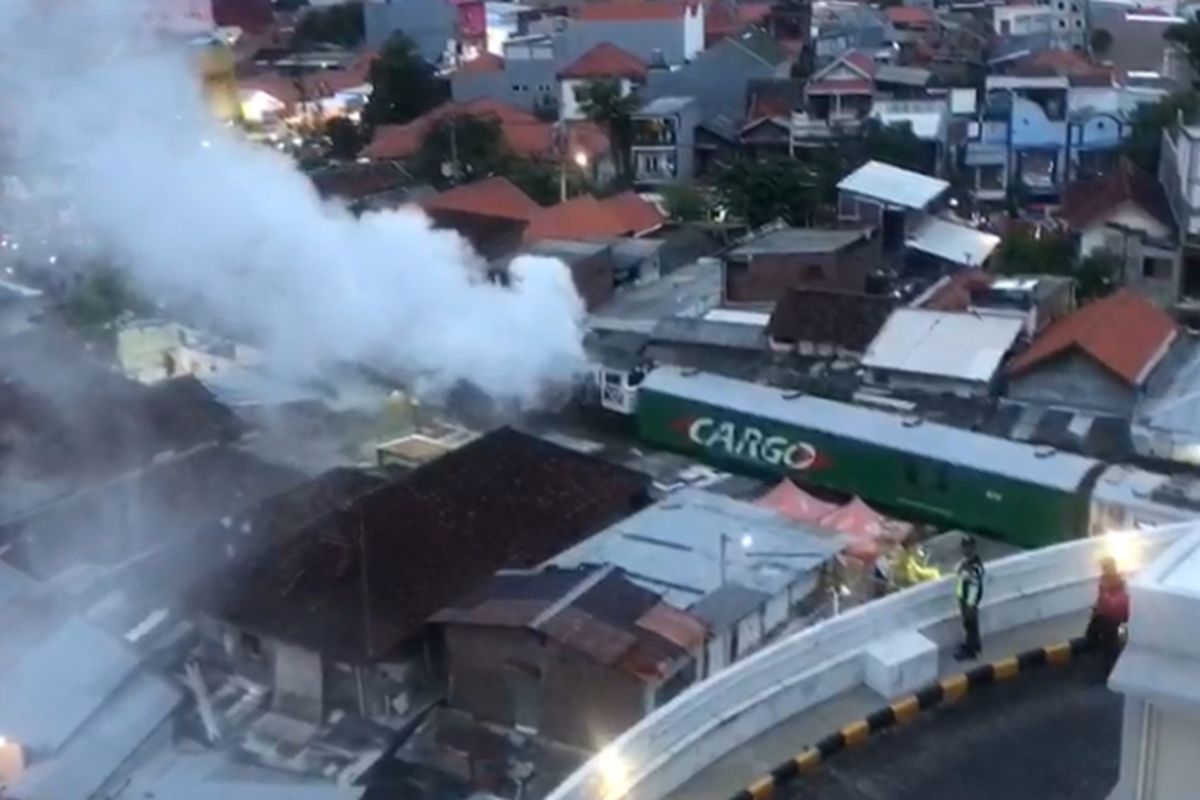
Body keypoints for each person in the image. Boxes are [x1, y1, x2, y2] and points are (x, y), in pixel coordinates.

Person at [1086, 557, 1130, 657]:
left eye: (1106, 567)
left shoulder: (1118, 582)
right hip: (1104, 613)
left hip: (1112, 615)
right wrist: (1096, 609)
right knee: (1092, 634)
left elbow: (1118, 601)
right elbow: (1101, 598)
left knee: (1109, 639)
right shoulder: (1104, 580)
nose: (1104, 570)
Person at [955, 535, 985, 661]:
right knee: (969, 623)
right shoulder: (965, 563)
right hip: (964, 597)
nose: (965, 549)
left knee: (970, 623)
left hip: (970, 600)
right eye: (964, 546)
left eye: (968, 547)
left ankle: (970, 650)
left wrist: (970, 604)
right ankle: (975, 645)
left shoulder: (974, 567)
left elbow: (975, 586)